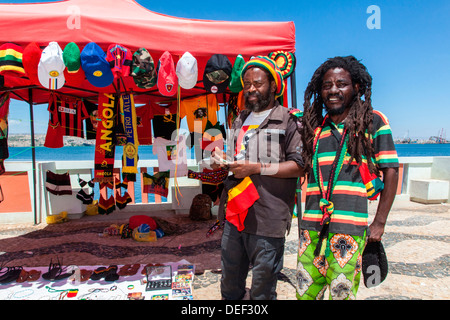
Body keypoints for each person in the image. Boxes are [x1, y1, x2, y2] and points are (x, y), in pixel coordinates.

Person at [296, 56, 399, 300]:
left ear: (356, 88)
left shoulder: (372, 122)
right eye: (326, 85)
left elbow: (391, 170)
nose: (333, 90)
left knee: (341, 296)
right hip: (310, 230)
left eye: (341, 84)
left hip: (349, 231)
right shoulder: (313, 127)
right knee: (304, 294)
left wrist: (380, 222)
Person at [211, 56, 304, 300]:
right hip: (235, 214)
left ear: (273, 86)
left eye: (258, 83)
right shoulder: (240, 118)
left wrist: (256, 168)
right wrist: (222, 157)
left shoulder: (289, 119)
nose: (251, 88)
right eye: (247, 83)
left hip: (267, 217)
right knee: (230, 283)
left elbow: (298, 166)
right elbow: (237, 157)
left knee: (262, 289)